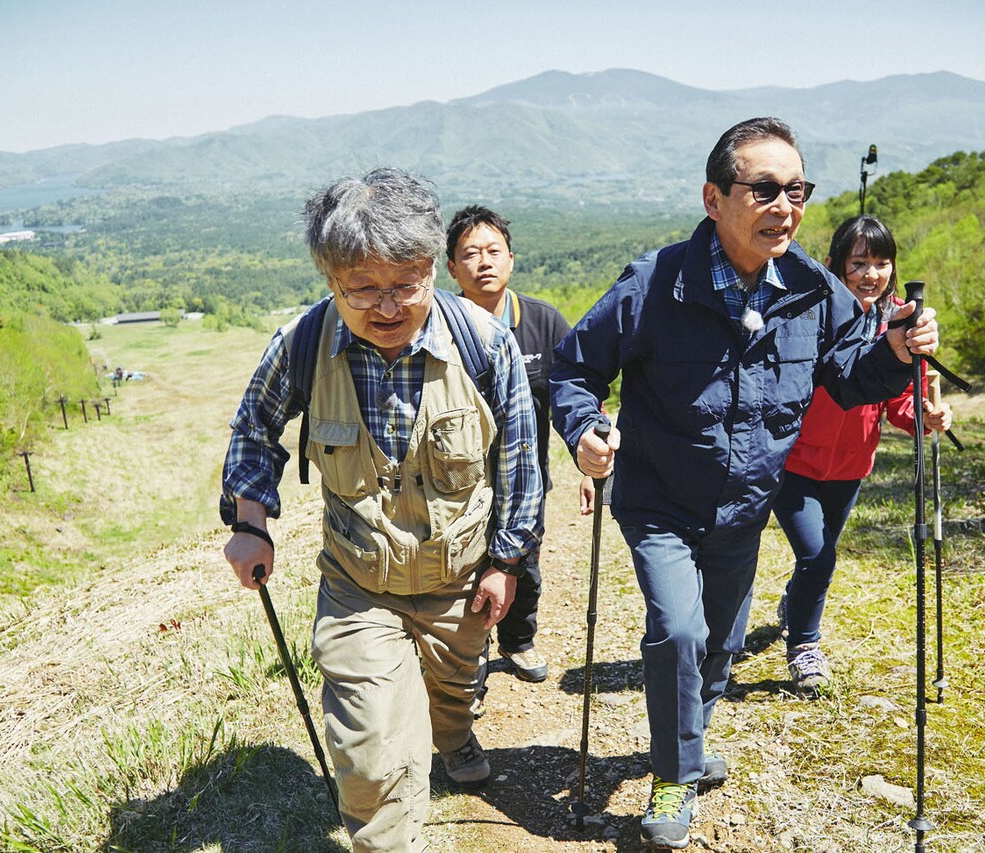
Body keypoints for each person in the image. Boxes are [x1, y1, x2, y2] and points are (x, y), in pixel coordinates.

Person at [548, 117, 941, 850]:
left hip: (746, 505)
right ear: (714, 198)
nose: (784, 205)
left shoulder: (812, 289)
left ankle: (689, 740)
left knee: (723, 641)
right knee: (679, 630)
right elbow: (575, 368)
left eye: (796, 189)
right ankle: (674, 774)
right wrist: (584, 430)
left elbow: (853, 377)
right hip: (660, 499)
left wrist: (893, 348)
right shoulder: (656, 282)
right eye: (764, 188)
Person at [220, 168, 542, 853]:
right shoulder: (304, 342)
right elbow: (255, 427)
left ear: (433, 267)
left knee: (452, 690)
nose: (386, 306)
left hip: (461, 579)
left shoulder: (486, 344)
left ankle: (452, 732)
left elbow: (519, 463)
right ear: (331, 278)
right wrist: (251, 522)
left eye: (405, 284)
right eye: (361, 288)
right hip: (359, 585)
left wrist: (506, 561)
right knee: (370, 756)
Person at [772, 214, 952, 696]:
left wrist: (926, 417)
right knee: (819, 555)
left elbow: (900, 401)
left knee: (817, 558)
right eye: (859, 263)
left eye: (881, 263)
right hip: (794, 464)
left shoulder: (900, 321)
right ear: (833, 265)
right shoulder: (810, 312)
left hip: (851, 467)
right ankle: (805, 647)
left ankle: (795, 603)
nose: (871, 274)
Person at [446, 204, 590, 687]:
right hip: (456, 485)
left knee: (523, 563)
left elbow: (574, 393)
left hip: (524, 478)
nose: (483, 262)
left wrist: (589, 466)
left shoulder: (544, 323)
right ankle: (471, 651)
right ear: (451, 268)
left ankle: (517, 639)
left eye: (493, 251)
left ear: (512, 259)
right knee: (460, 569)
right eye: (470, 254)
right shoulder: (438, 328)